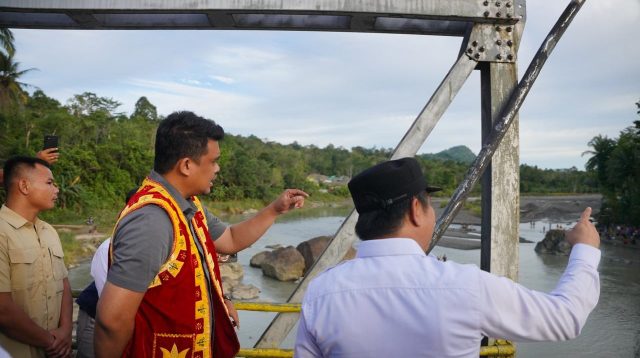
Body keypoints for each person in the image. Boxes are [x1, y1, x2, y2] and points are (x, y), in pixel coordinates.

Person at [295, 157, 600, 357]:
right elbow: (566, 319)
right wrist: (585, 249)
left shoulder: (322, 291)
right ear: (416, 209)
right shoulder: (465, 286)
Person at [94, 111, 308, 358]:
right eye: (214, 161)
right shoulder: (152, 220)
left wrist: (274, 209)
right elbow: (112, 320)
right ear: (186, 165)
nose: (217, 169)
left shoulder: (188, 205)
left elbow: (230, 239)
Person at [0, 156, 72, 358]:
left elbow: (64, 284)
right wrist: (50, 341)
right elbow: (3, 309)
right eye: (49, 183)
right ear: (24, 185)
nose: (56, 189)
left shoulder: (49, 231)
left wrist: (66, 330)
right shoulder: (2, 231)